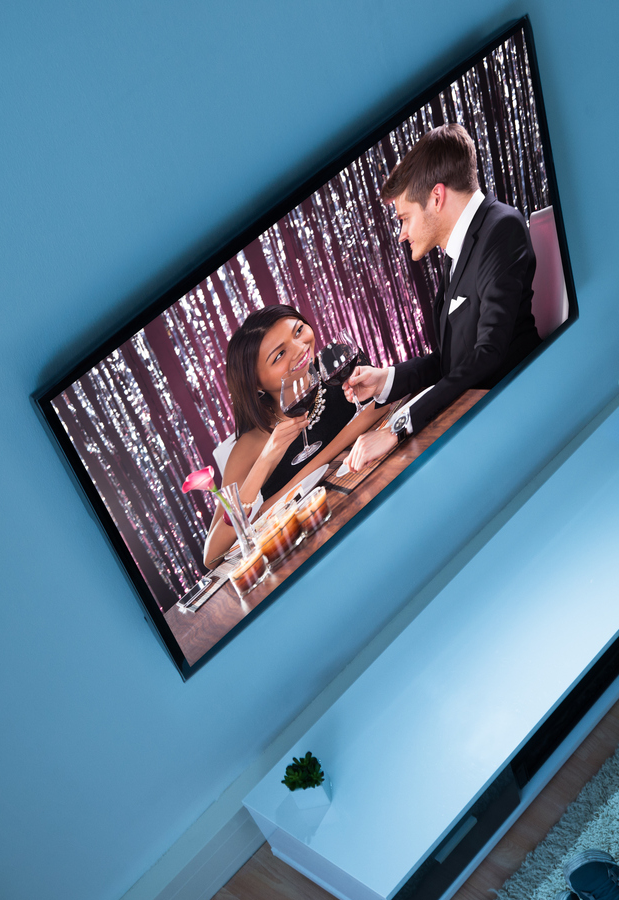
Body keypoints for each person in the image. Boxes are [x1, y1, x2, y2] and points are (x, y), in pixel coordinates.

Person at [341, 122, 540, 469]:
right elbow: (451, 362)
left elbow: (488, 355)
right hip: (477, 421)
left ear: (436, 197)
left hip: (515, 420)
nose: (402, 234)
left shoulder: (501, 229)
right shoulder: (457, 249)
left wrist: (396, 428)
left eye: (404, 218)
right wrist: (385, 379)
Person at [202, 304, 385, 567]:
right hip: (316, 549)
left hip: (375, 493)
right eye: (279, 355)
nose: (300, 348)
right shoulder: (251, 443)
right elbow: (212, 556)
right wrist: (265, 459)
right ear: (255, 383)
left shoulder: (337, 361)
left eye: (299, 331)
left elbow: (382, 405)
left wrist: (279, 497)